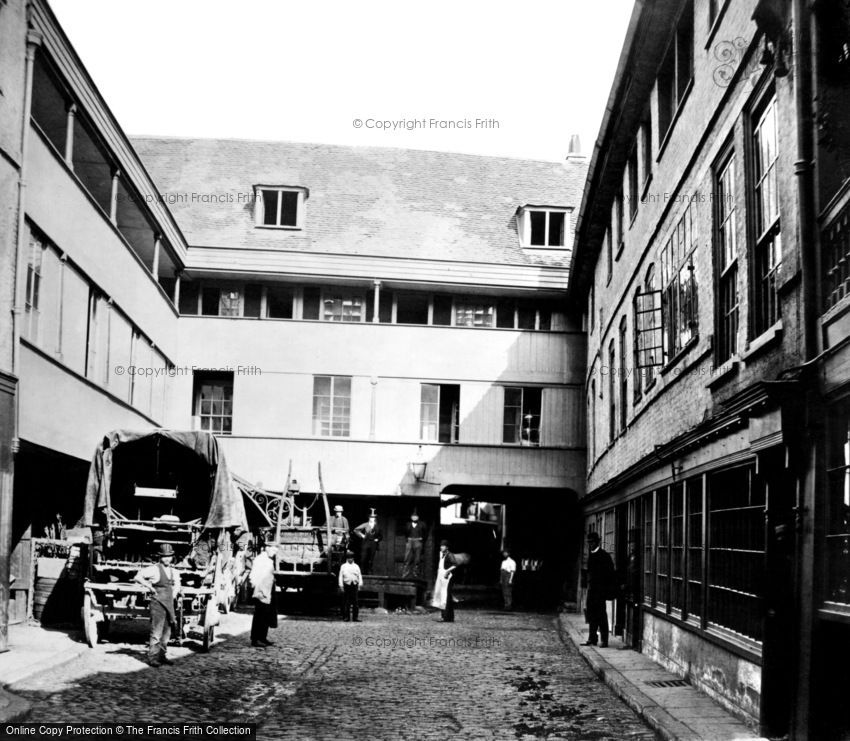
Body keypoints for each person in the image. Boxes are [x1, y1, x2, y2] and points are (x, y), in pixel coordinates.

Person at [134, 543, 182, 667]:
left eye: (169, 556)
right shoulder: (154, 569)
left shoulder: (174, 571)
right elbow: (138, 577)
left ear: (172, 557)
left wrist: (175, 594)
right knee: (156, 631)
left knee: (167, 632)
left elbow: (177, 585)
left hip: (169, 604)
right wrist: (149, 586)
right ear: (160, 557)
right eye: (164, 556)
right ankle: (153, 657)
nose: (167, 558)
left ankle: (162, 655)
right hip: (157, 603)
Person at [582, 532, 616, 648]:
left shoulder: (604, 556)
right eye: (589, 543)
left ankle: (604, 640)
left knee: (601, 615)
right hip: (591, 590)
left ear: (597, 542)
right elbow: (587, 573)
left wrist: (606, 591)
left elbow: (610, 574)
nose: (590, 545)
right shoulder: (590, 555)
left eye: (592, 542)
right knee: (591, 615)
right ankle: (592, 638)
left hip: (600, 591)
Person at [248, 541, 278, 647]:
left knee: (266, 615)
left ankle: (262, 638)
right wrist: (256, 590)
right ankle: (255, 639)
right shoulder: (260, 559)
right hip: (261, 591)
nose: (275, 552)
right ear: (267, 548)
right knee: (259, 616)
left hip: (267, 591)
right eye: (274, 550)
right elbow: (253, 575)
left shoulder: (269, 560)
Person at [431, 540, 458, 622]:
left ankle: (447, 617)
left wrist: (447, 571)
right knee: (441, 596)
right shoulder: (441, 555)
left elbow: (454, 565)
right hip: (440, 577)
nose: (441, 547)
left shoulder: (450, 555)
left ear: (447, 547)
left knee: (445, 596)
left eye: (443, 546)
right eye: (441, 546)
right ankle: (445, 616)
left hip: (447, 577)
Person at [338, 550, 362, 622]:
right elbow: (340, 576)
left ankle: (355, 617)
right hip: (347, 585)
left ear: (353, 558)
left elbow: (359, 576)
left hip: (354, 585)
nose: (350, 559)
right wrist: (341, 586)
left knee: (355, 602)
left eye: (351, 558)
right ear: (347, 558)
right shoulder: (344, 566)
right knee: (347, 602)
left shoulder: (356, 566)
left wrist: (360, 585)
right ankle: (346, 617)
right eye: (348, 558)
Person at [401, 512, 427, 578]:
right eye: (413, 516)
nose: (414, 517)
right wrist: (407, 539)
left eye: (416, 516)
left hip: (418, 540)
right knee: (407, 557)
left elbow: (425, 533)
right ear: (411, 517)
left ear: (418, 517)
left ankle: (416, 573)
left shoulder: (422, 524)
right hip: (409, 540)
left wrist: (422, 539)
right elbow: (405, 532)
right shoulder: (408, 524)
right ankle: (405, 572)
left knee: (417, 558)